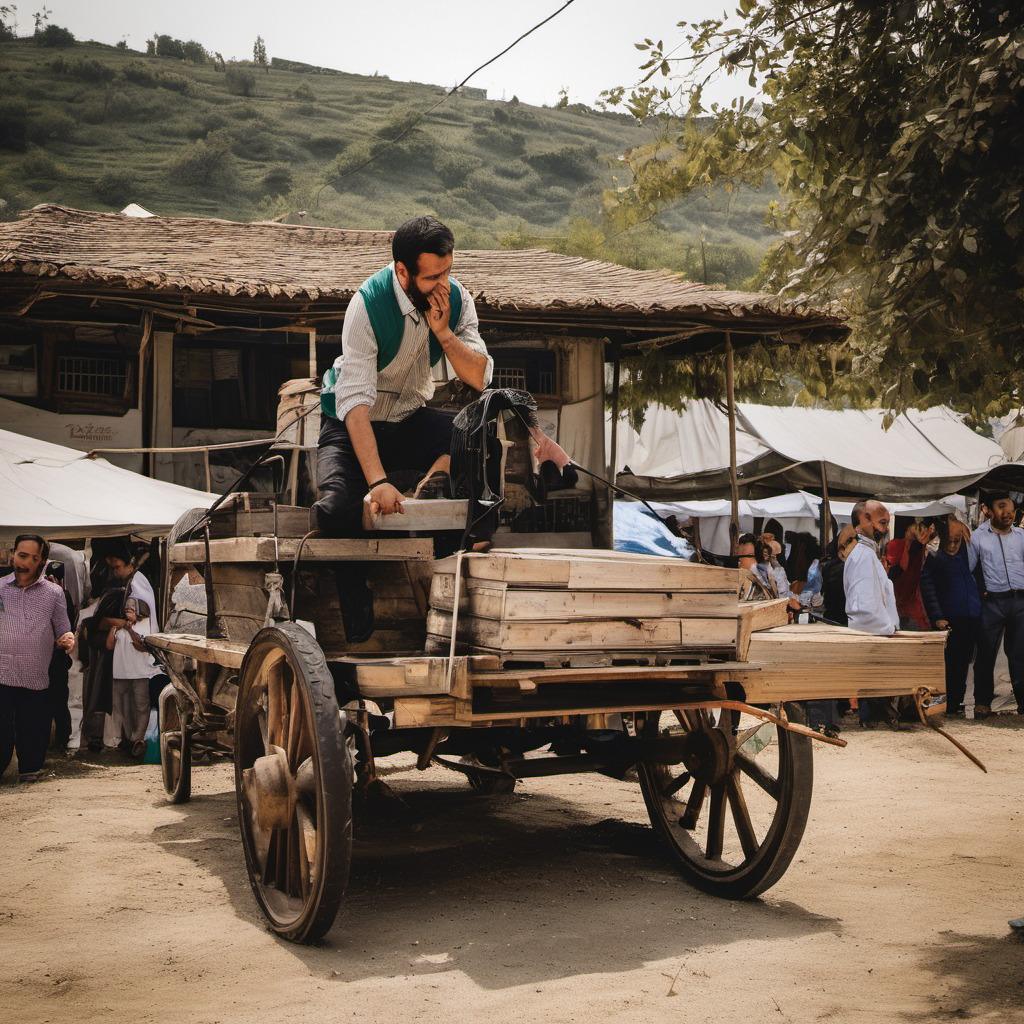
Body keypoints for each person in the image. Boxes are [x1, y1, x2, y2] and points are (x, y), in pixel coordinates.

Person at [312, 216, 494, 642]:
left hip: (408, 418)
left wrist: (445, 335)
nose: (442, 284)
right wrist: (378, 482)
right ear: (403, 272)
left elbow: (480, 377)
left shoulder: (458, 300)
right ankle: (355, 589)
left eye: (448, 272)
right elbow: (354, 403)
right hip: (352, 422)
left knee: (477, 435)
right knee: (337, 509)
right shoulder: (367, 305)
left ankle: (452, 562)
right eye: (432, 277)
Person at [0, 535, 74, 782]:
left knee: (33, 726)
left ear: (42, 561)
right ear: (13, 556)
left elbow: (63, 627)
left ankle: (30, 770)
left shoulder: (54, 593)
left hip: (36, 674)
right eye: (22, 556)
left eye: (34, 558)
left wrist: (67, 638)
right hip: (1, 672)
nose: (26, 563)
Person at [844, 500, 901, 728]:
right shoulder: (862, 556)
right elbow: (863, 605)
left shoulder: (868, 553)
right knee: (872, 682)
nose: (885, 528)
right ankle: (872, 718)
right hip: (872, 634)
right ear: (864, 520)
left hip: (878, 632)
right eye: (882, 522)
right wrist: (887, 629)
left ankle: (876, 715)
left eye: (887, 523)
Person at [968, 491, 1024, 718]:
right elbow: (969, 570)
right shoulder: (978, 537)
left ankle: (1023, 702)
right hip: (992, 602)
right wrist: (980, 594)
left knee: (1020, 653)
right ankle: (982, 702)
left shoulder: (1021, 536)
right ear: (987, 510)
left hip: (1020, 601)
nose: (1007, 512)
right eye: (1001, 506)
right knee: (986, 654)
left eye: (1010, 507)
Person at [920, 518, 980, 718]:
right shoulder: (935, 557)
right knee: (949, 664)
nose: (953, 545)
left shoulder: (967, 553)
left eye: (957, 540)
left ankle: (955, 703)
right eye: (949, 541)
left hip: (970, 615)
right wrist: (937, 616)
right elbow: (928, 587)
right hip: (950, 617)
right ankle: (944, 705)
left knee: (963, 662)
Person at [105, 597, 153, 759]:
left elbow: (142, 646)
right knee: (121, 707)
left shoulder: (145, 625)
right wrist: (115, 629)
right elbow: (109, 646)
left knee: (140, 707)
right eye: (126, 609)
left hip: (140, 673)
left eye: (131, 609)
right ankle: (126, 739)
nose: (128, 611)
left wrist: (131, 630)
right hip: (120, 673)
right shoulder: (118, 627)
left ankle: (138, 740)